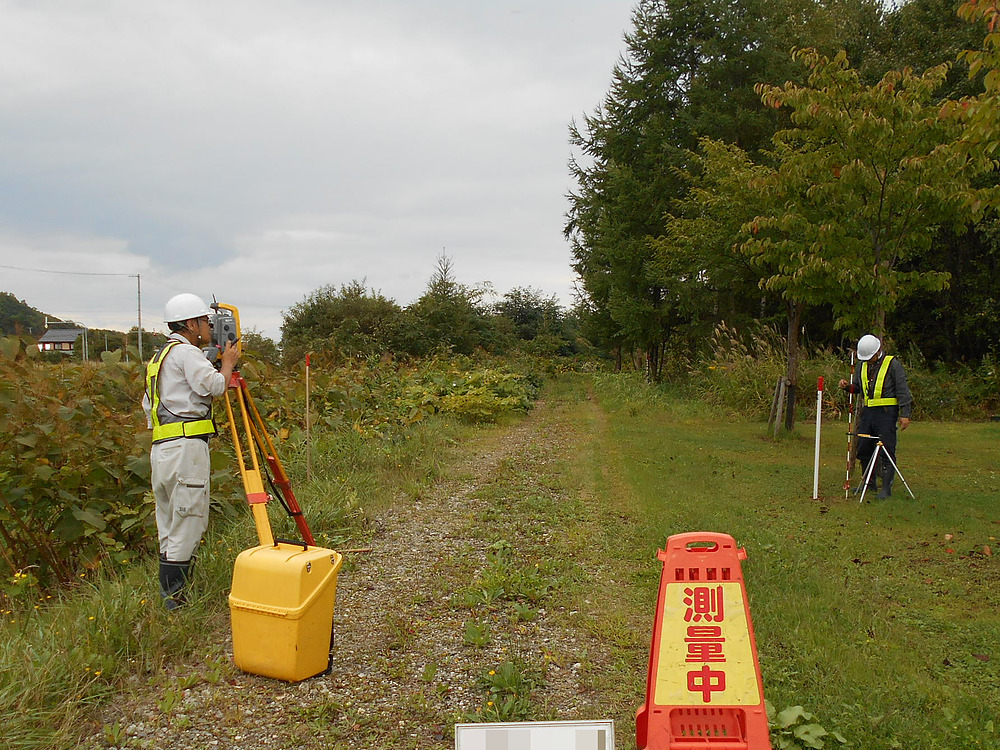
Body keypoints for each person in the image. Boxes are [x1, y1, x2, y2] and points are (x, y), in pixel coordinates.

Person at [142, 293, 239, 608]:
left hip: (162, 451)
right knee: (189, 519)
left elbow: (149, 405)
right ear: (191, 324)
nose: (209, 327)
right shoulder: (187, 353)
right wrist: (227, 365)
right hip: (186, 449)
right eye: (205, 321)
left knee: (170, 523)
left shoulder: (160, 358)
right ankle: (176, 602)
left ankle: (171, 597)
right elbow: (215, 387)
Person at [838, 334, 912, 499]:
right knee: (864, 448)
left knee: (886, 449)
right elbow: (858, 388)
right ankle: (868, 484)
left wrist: (905, 414)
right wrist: (847, 387)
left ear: (878, 351)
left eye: (869, 357)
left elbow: (902, 390)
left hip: (886, 413)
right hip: (868, 413)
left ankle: (886, 489)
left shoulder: (893, 364)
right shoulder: (862, 365)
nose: (867, 360)